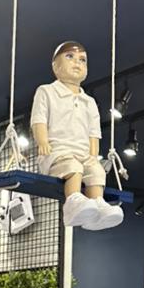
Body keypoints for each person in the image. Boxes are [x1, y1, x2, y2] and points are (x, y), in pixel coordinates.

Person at [30, 41, 123, 232]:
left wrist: (93, 155)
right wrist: (43, 142)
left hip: (83, 154)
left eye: (82, 60)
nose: (77, 63)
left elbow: (93, 133)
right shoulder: (47, 91)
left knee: (96, 171)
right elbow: (38, 119)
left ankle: (97, 204)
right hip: (56, 152)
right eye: (70, 57)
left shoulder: (89, 101)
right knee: (73, 166)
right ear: (55, 66)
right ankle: (72, 202)